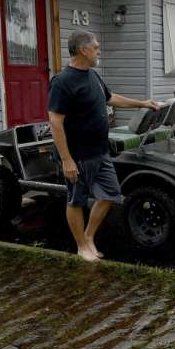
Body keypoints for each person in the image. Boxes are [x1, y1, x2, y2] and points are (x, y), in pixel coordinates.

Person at [48, 30, 158, 262]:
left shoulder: (93, 76)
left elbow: (110, 98)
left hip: (100, 152)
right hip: (77, 156)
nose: (99, 50)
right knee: (76, 199)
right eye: (96, 47)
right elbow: (55, 121)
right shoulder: (62, 81)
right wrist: (66, 159)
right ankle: (81, 246)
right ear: (83, 50)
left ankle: (89, 236)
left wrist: (143, 103)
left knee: (110, 193)